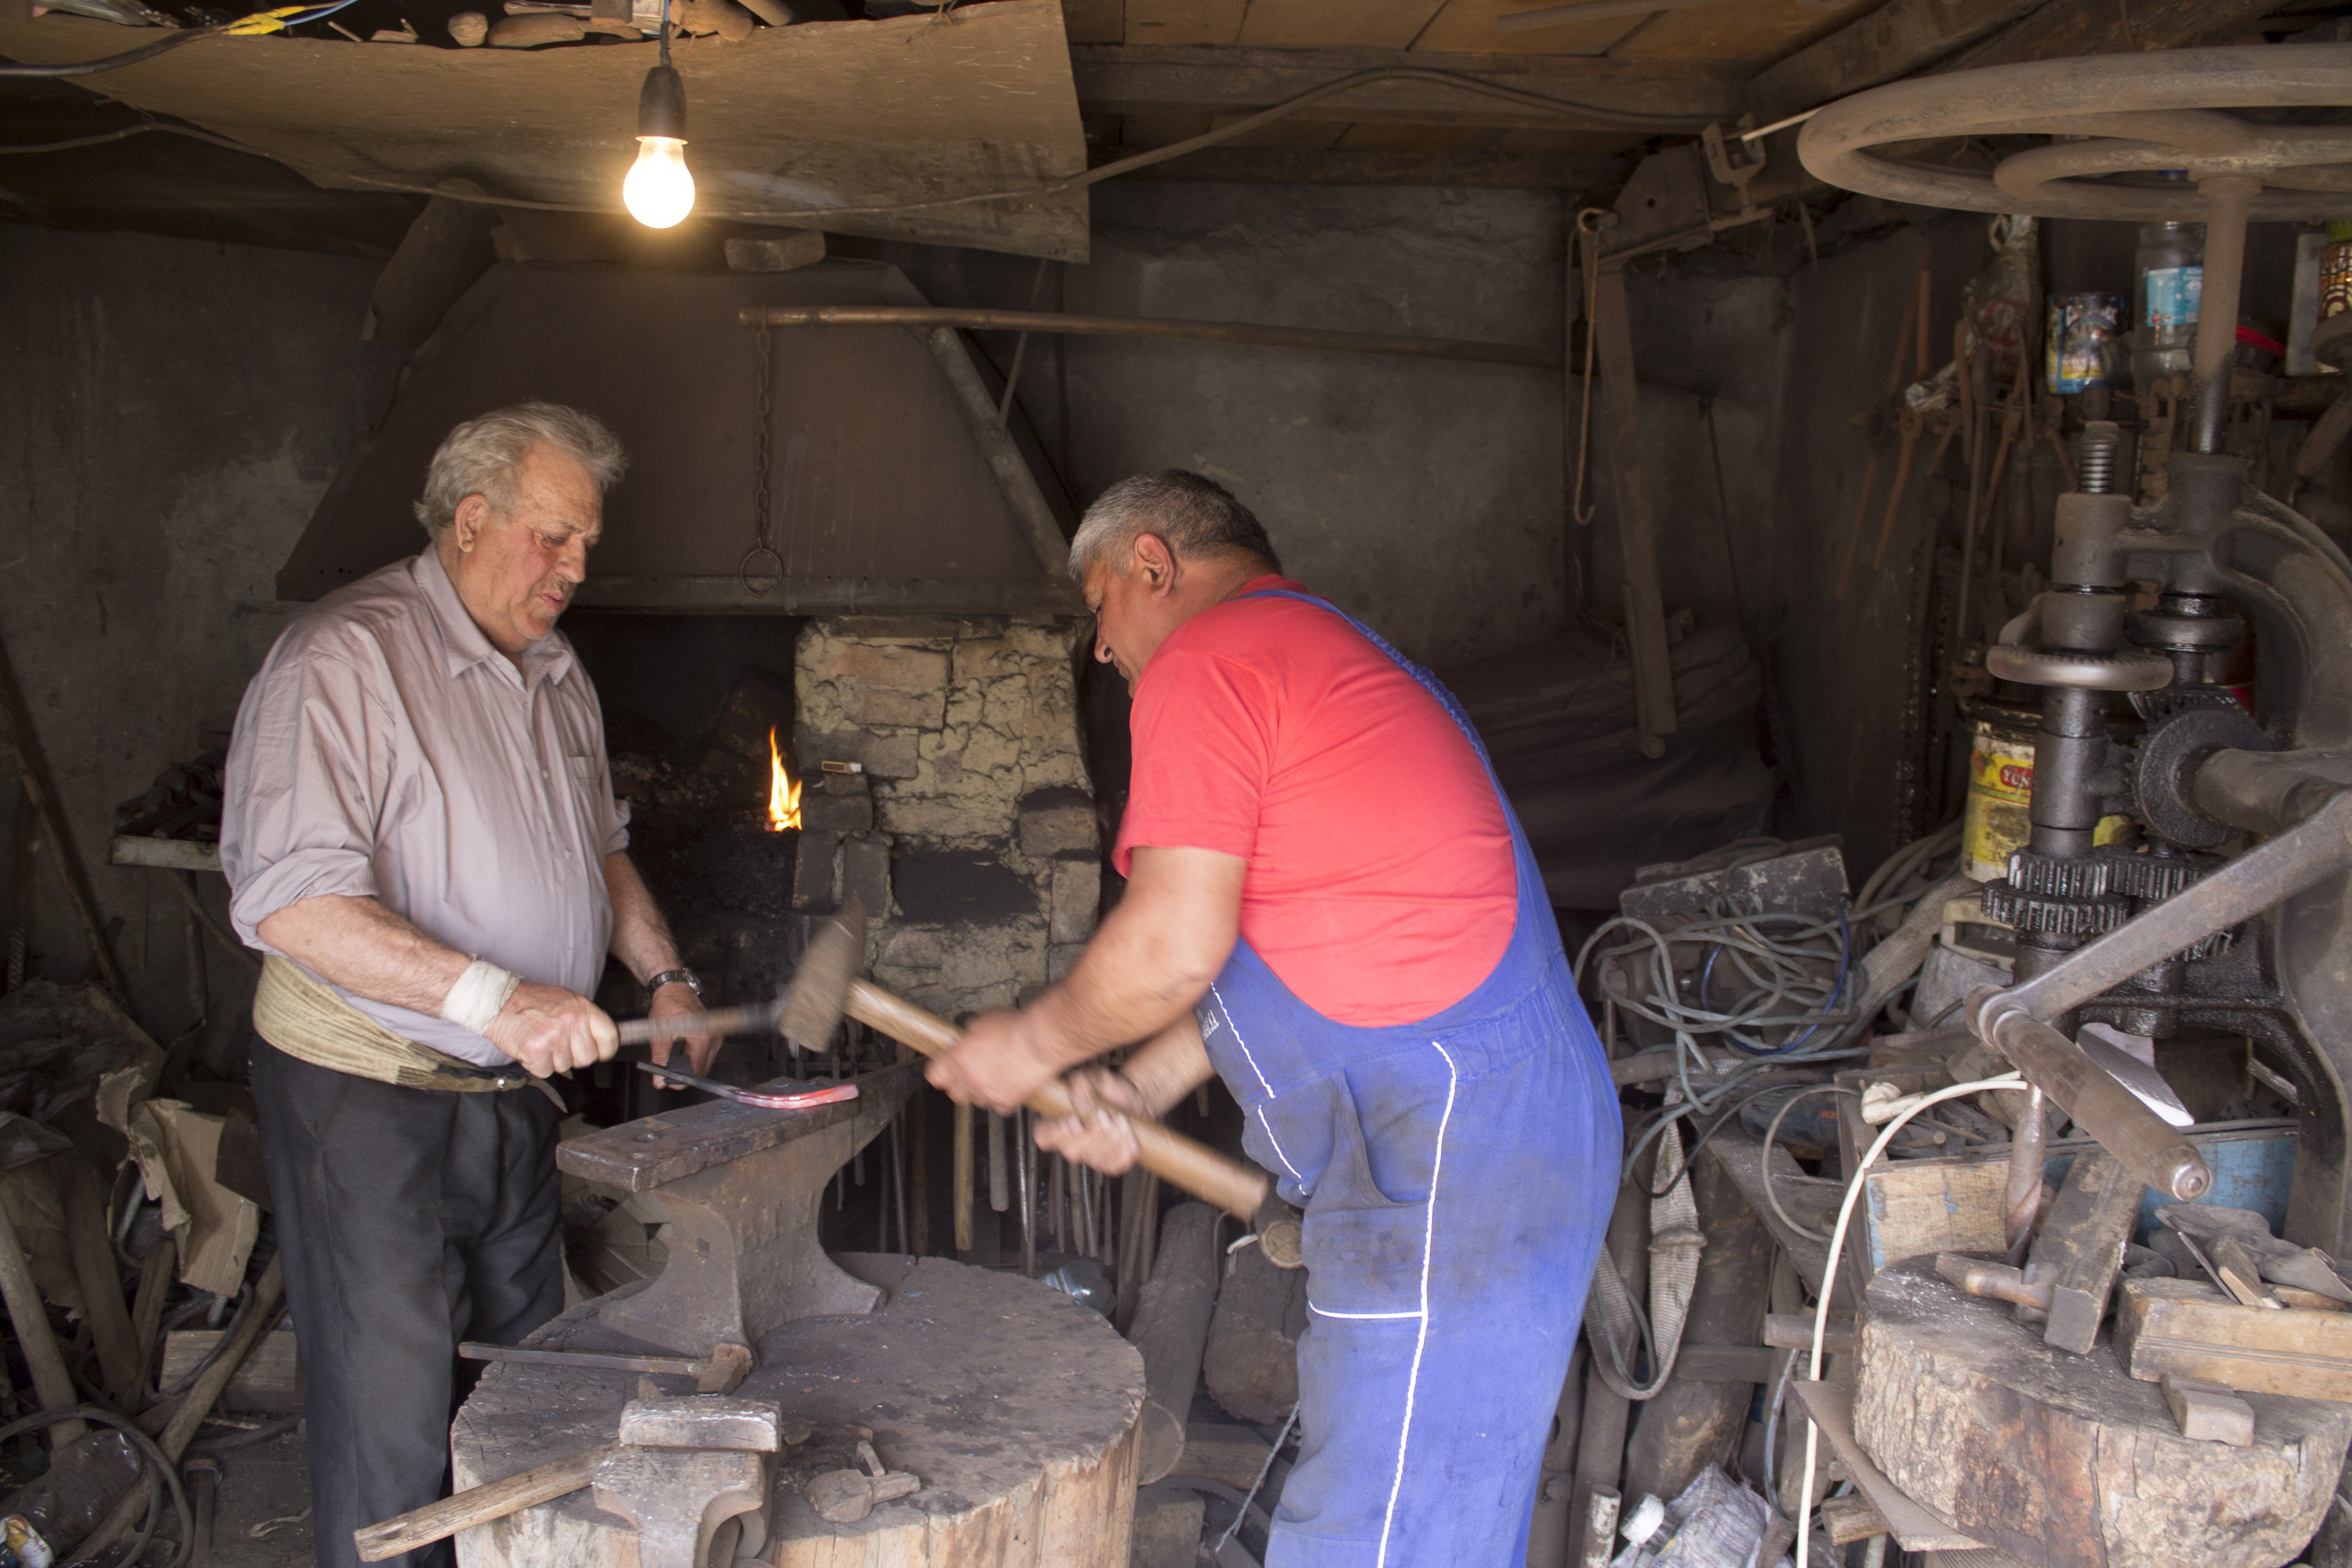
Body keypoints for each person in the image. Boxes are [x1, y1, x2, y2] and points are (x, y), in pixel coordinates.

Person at [929, 470, 1620, 1567]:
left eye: (1101, 606)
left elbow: (1173, 942)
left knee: (1383, 1542)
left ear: (1152, 563)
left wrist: (1031, 1043)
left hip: (1458, 1150)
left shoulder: (1211, 659)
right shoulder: (1312, 654)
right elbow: (1283, 955)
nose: (1099, 647)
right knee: (1401, 1521)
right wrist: (1138, 1085)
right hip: (1471, 1136)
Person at [221, 402, 714, 1568]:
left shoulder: (556, 671)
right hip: (366, 1094)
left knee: (521, 1386)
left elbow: (599, 850)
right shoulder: (342, 660)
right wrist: (500, 997)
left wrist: (665, 973)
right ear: (471, 518)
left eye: (586, 544)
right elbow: (291, 904)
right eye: (554, 536)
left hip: (507, 1094)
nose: (574, 568)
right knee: (390, 1409)